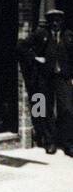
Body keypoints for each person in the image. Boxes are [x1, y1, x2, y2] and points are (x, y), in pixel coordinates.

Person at [21, 9, 73, 155]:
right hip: (46, 78)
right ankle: (49, 142)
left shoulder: (68, 36)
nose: (55, 23)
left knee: (67, 110)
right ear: (48, 22)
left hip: (63, 78)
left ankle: (68, 143)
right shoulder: (41, 34)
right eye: (52, 20)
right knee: (45, 110)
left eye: (58, 20)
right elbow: (22, 46)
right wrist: (36, 58)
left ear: (62, 21)